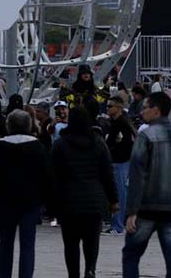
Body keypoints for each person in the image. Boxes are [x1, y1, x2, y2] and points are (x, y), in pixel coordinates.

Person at [122, 91, 171, 278]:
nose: (142, 112)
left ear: (156, 110)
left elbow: (137, 174)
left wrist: (131, 211)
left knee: (131, 255)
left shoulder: (146, 136)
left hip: (148, 207)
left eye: (145, 108)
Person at [0, 110, 53, 278]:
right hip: (30, 202)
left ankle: (4, 274)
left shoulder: (0, 147)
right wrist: (47, 201)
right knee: (28, 245)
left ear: (9, 125)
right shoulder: (38, 147)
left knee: (5, 243)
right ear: (29, 125)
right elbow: (47, 176)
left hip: (5, 202)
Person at [52, 106, 117, 278]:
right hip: (94, 201)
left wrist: (52, 202)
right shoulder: (98, 143)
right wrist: (113, 200)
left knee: (71, 244)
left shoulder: (60, 144)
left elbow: (54, 175)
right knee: (92, 241)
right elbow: (107, 174)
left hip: (69, 201)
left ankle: (73, 274)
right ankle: (90, 269)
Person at [104, 96, 136, 236]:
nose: (107, 108)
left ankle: (118, 225)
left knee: (120, 193)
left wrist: (113, 153)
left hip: (120, 162)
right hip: (119, 161)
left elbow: (125, 144)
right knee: (119, 192)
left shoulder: (121, 123)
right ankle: (116, 223)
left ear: (118, 108)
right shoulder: (116, 122)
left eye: (110, 106)